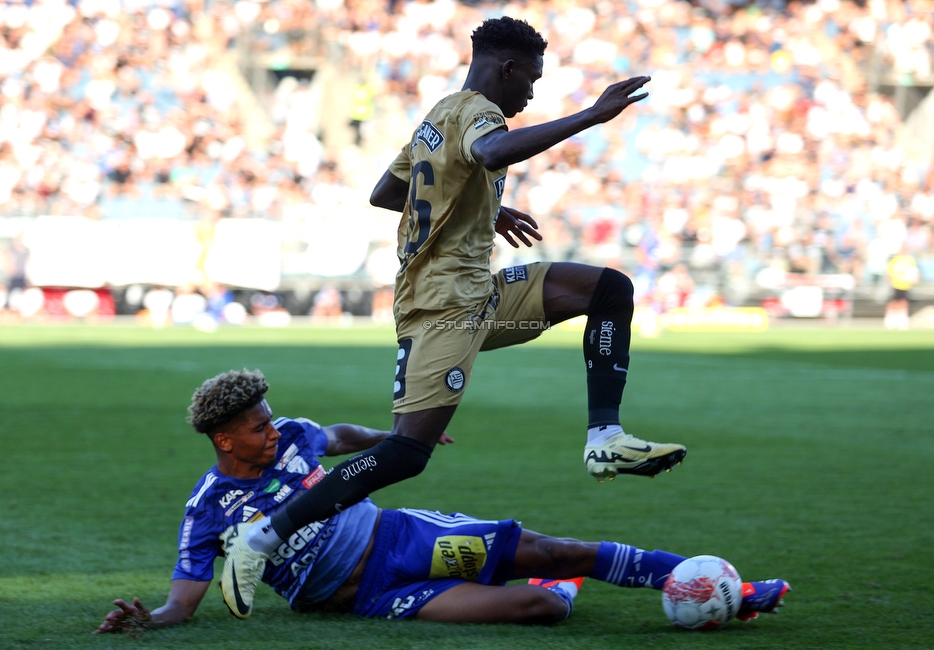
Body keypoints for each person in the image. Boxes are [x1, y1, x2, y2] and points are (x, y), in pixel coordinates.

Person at [219, 16, 690, 620]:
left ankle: (606, 439)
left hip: (481, 294)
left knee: (607, 291)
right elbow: (490, 150)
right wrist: (592, 116)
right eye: (532, 81)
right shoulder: (478, 114)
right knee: (405, 454)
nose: (532, 96)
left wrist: (481, 210)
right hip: (441, 308)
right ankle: (260, 538)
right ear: (507, 68)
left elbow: (385, 193)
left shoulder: (437, 117)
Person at [94, 370, 790, 634]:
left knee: (550, 548)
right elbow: (183, 603)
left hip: (403, 541)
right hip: (373, 599)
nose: (273, 430)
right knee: (541, 605)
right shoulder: (208, 508)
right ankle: (561, 588)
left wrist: (407, 436)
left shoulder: (298, 438)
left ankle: (726, 586)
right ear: (223, 440)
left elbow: (345, 435)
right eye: (256, 426)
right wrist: (146, 622)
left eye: (272, 418)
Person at [884, 247, 920, 330]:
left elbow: (914, 270)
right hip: (896, 284)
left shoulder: (910, 259)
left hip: (905, 284)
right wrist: (890, 279)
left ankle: (902, 318)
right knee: (894, 301)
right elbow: (889, 271)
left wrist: (915, 279)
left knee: (904, 301)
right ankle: (891, 317)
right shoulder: (895, 259)